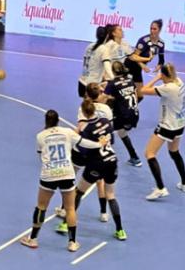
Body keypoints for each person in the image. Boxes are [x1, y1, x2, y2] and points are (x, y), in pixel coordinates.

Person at [21, 110, 107, 252]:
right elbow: (84, 143)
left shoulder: (40, 136)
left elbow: (41, 156)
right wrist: (99, 144)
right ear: (58, 120)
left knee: (41, 207)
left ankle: (33, 239)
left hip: (49, 174)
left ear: (46, 121)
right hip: (67, 172)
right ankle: (72, 242)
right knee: (70, 208)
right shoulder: (67, 132)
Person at [56, 83, 112, 232]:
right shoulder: (106, 109)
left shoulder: (83, 108)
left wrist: (69, 139)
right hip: (99, 150)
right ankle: (104, 213)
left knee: (71, 177)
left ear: (86, 95)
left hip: (82, 149)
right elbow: (108, 128)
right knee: (100, 181)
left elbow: (80, 128)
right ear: (99, 94)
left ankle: (64, 210)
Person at [73, 99, 126, 241]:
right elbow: (111, 141)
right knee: (111, 195)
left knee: (79, 192)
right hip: (112, 160)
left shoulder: (86, 129)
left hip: (96, 163)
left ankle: (66, 223)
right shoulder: (105, 121)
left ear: (83, 113)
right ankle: (120, 230)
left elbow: (83, 151)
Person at [140, 63, 185, 200]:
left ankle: (160, 188)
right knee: (174, 152)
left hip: (167, 125)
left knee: (149, 153)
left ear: (163, 75)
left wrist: (156, 78)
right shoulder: (179, 82)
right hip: (180, 123)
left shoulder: (167, 88)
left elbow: (143, 90)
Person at [105, 61, 142, 167]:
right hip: (134, 114)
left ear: (113, 71)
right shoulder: (130, 80)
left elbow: (103, 98)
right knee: (122, 133)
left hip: (123, 116)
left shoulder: (112, 84)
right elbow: (135, 96)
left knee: (104, 130)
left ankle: (105, 158)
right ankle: (134, 157)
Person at [78, 26, 113, 97]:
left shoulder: (89, 46)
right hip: (92, 85)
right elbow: (107, 67)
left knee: (86, 103)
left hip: (82, 82)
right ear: (107, 36)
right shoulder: (104, 49)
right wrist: (114, 79)